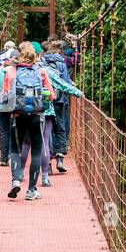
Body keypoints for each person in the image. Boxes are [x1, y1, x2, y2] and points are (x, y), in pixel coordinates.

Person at [0, 42, 53, 201]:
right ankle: (31, 190)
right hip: (37, 116)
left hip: (17, 116)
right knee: (37, 150)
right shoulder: (41, 71)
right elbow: (51, 96)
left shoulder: (10, 71)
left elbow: (4, 95)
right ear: (34, 56)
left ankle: (16, 180)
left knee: (15, 149)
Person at [40, 41, 82, 178]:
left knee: (48, 132)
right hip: (60, 101)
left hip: (46, 102)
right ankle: (60, 159)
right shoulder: (62, 63)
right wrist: (76, 91)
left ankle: (49, 164)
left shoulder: (42, 63)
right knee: (61, 128)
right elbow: (64, 82)